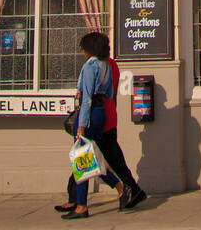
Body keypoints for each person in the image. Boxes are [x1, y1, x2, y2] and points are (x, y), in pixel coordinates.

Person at [59, 33, 145, 218]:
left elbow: (87, 98)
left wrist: (81, 124)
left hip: (89, 114)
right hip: (102, 114)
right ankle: (119, 188)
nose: (82, 51)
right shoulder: (106, 65)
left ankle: (83, 205)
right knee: (90, 158)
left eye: (83, 47)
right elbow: (107, 94)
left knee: (83, 158)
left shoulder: (90, 66)